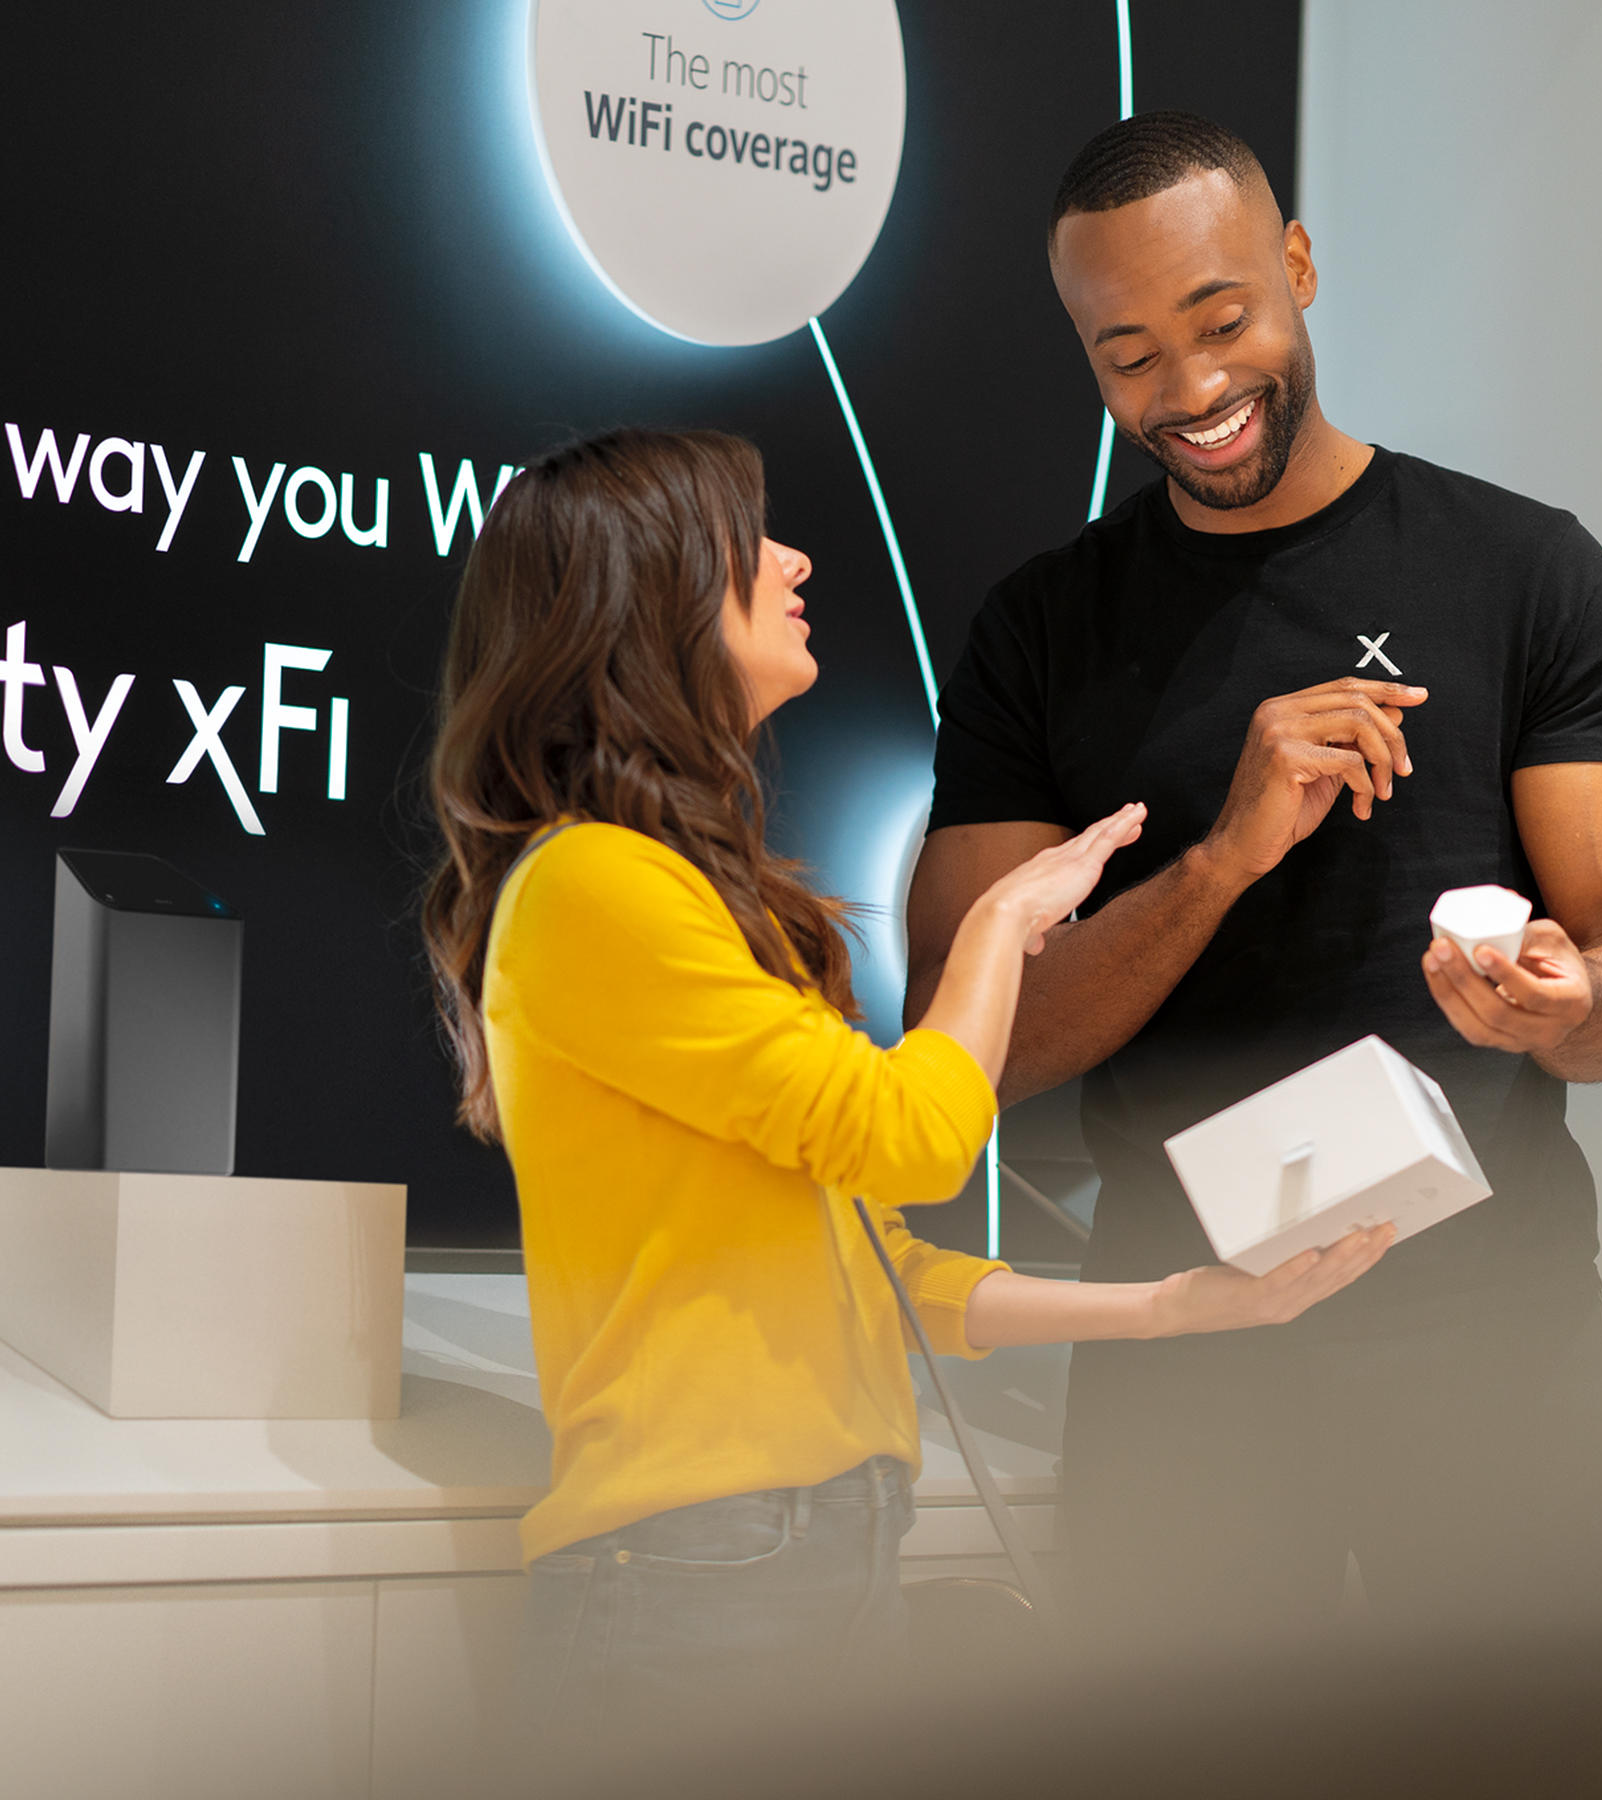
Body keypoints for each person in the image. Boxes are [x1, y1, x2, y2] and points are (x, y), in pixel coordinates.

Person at [419, 427, 1390, 1759]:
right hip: (704, 1565)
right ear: (646, 597)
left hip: (807, 1546)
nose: (793, 560)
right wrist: (1000, 924)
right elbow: (916, 1141)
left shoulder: (669, 891)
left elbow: (881, 1271)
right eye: (748, 540)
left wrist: (1172, 1308)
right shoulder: (592, 883)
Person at [905, 114, 1602, 1643]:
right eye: (1130, 355)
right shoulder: (1044, 631)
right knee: (1175, 1748)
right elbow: (971, 1050)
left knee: (1528, 1751)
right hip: (1179, 1338)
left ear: (1300, 267)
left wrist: (1569, 1003)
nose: (1192, 389)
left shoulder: (1525, 573)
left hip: (1494, 1335)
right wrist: (1221, 860)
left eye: (1222, 321)